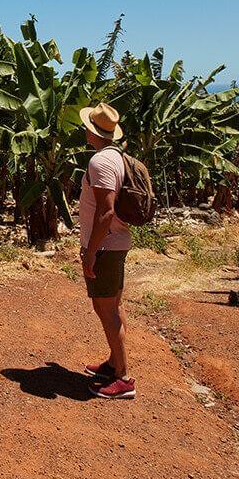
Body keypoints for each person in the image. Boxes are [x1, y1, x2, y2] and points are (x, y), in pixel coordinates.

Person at [78, 103, 135, 400]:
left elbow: (105, 211)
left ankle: (124, 378)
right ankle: (114, 362)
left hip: (106, 245)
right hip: (116, 242)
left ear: (92, 130)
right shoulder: (118, 157)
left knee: (107, 308)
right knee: (110, 305)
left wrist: (91, 250)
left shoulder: (100, 162)